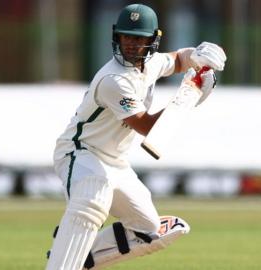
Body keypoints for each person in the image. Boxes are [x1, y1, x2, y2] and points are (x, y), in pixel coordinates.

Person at [46, 3, 226, 270]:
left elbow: (177, 60)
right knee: (93, 197)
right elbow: (148, 127)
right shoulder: (114, 80)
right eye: (126, 36)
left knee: (148, 229)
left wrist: (198, 56)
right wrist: (193, 95)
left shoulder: (151, 63)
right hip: (80, 152)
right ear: (116, 36)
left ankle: (82, 254)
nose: (131, 44)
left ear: (153, 40)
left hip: (115, 162)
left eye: (139, 38)